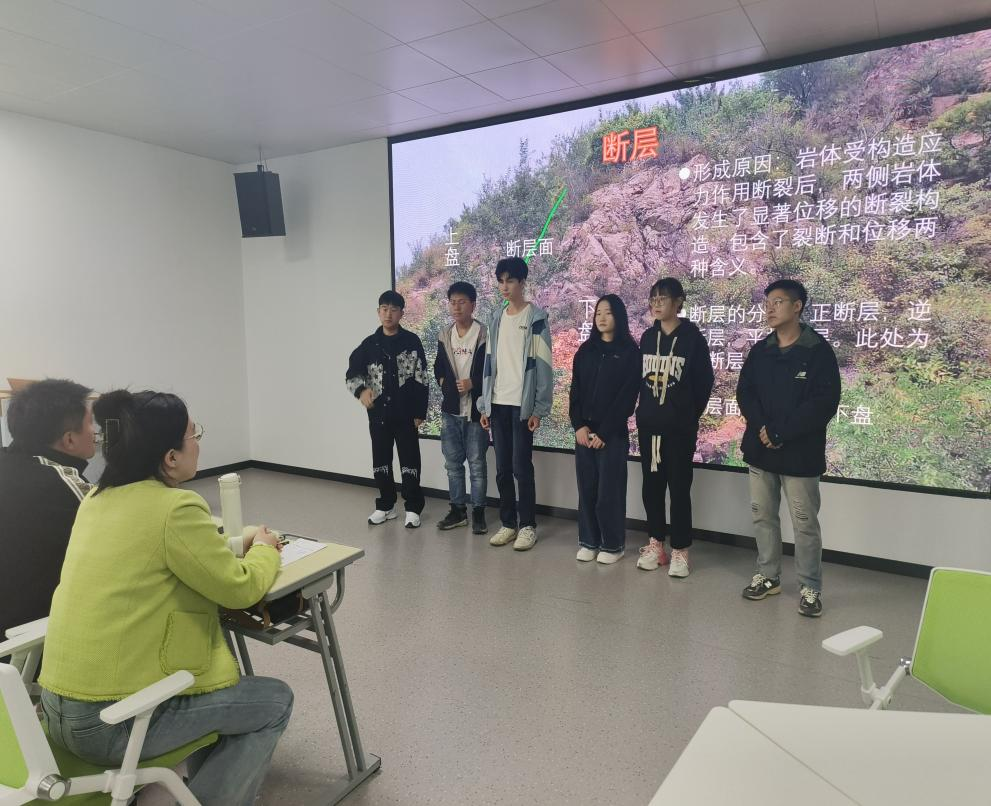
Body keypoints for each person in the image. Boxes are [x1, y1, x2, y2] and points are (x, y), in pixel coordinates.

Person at [38, 390, 292, 806]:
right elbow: (241, 588)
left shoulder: (96, 499)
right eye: (194, 434)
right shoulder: (176, 507)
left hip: (54, 709)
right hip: (111, 723)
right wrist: (264, 550)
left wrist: (235, 542)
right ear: (171, 457)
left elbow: (169, 551)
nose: (199, 443)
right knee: (275, 700)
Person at [737, 279, 841, 617]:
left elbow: (823, 403)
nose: (770, 308)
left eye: (778, 301)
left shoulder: (818, 351)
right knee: (763, 516)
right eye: (767, 302)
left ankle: (810, 587)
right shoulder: (761, 350)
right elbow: (745, 393)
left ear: (797, 307)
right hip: (761, 448)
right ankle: (768, 576)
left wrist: (781, 431)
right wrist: (763, 428)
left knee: (804, 523)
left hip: (800, 453)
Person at [0, 378, 97, 637]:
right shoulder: (61, 482)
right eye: (90, 423)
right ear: (69, 440)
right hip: (31, 638)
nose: (95, 432)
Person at [635, 278, 714, 578]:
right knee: (651, 488)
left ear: (679, 301)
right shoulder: (647, 338)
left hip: (679, 430)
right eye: (653, 298)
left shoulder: (693, 339)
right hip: (649, 428)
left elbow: (704, 383)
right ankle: (656, 544)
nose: (656, 303)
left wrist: (687, 416)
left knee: (679, 489)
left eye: (663, 298)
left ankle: (681, 549)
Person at [478, 257, 553, 551]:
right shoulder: (497, 317)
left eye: (510, 280)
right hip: (497, 403)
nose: (504, 286)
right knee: (502, 469)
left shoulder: (536, 319)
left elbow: (544, 366)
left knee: (522, 467)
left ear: (522, 282)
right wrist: (485, 405)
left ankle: (528, 526)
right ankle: (508, 524)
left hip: (521, 406)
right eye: (501, 281)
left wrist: (539, 409)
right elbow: (488, 364)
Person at [346, 290, 429, 528]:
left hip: (406, 415)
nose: (388, 314)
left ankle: (413, 508)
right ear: (378, 312)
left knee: (410, 461)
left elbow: (422, 378)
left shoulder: (411, 341)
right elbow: (352, 373)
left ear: (401, 313)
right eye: (384, 309)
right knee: (381, 461)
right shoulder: (369, 345)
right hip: (379, 415)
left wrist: (419, 412)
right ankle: (386, 505)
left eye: (394, 310)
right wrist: (361, 391)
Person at [569, 295, 641, 564]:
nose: (601, 317)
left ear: (619, 316)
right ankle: (589, 541)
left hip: (612, 434)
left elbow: (626, 398)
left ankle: (613, 545)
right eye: (598, 312)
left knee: (609, 492)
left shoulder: (630, 353)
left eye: (608, 313)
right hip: (584, 432)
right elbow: (575, 391)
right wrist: (578, 425)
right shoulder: (586, 351)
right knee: (587, 490)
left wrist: (605, 433)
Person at [434, 281, 489, 534]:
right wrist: (445, 384)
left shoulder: (484, 334)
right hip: (450, 411)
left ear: (473, 305)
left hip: (476, 411)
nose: (456, 307)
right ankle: (457, 511)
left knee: (476, 465)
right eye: (452, 302)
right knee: (453, 464)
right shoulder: (445, 334)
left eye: (462, 302)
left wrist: (473, 383)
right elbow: (438, 367)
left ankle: (478, 513)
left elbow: (492, 371)